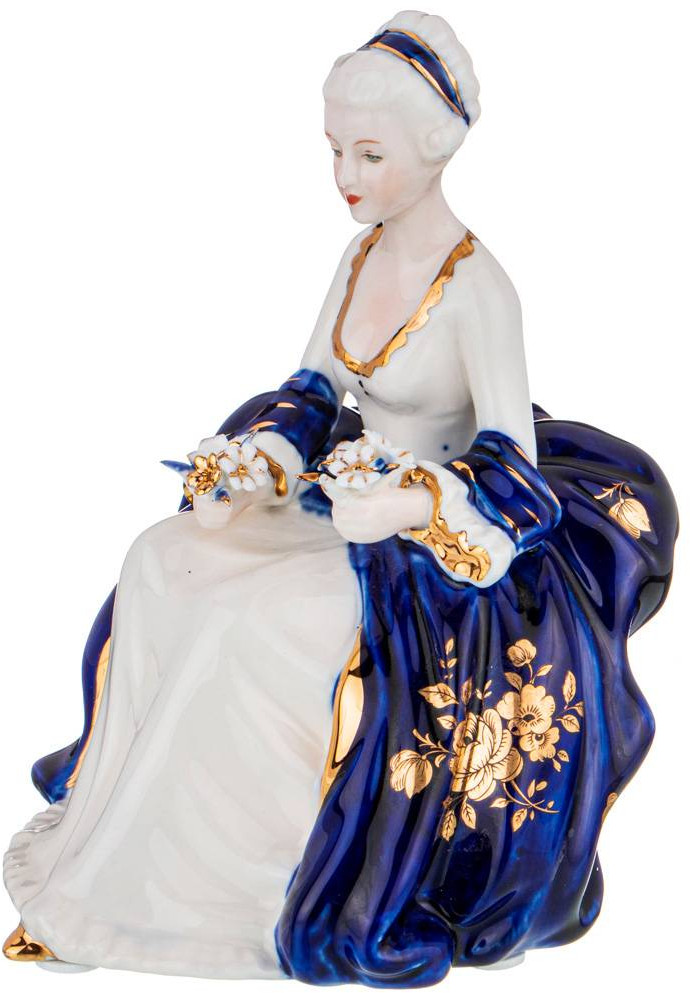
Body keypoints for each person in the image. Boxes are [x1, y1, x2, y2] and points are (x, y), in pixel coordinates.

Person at [3, 9, 678, 985]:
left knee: (260, 616)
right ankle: (121, 865)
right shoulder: (358, 259)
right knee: (161, 560)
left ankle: (233, 888)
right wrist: (258, 462)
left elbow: (516, 474)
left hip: (428, 538)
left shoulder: (479, 290)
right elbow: (314, 391)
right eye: (334, 151)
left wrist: (415, 506)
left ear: (434, 150)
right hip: (338, 500)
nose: (344, 176)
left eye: (368, 154)